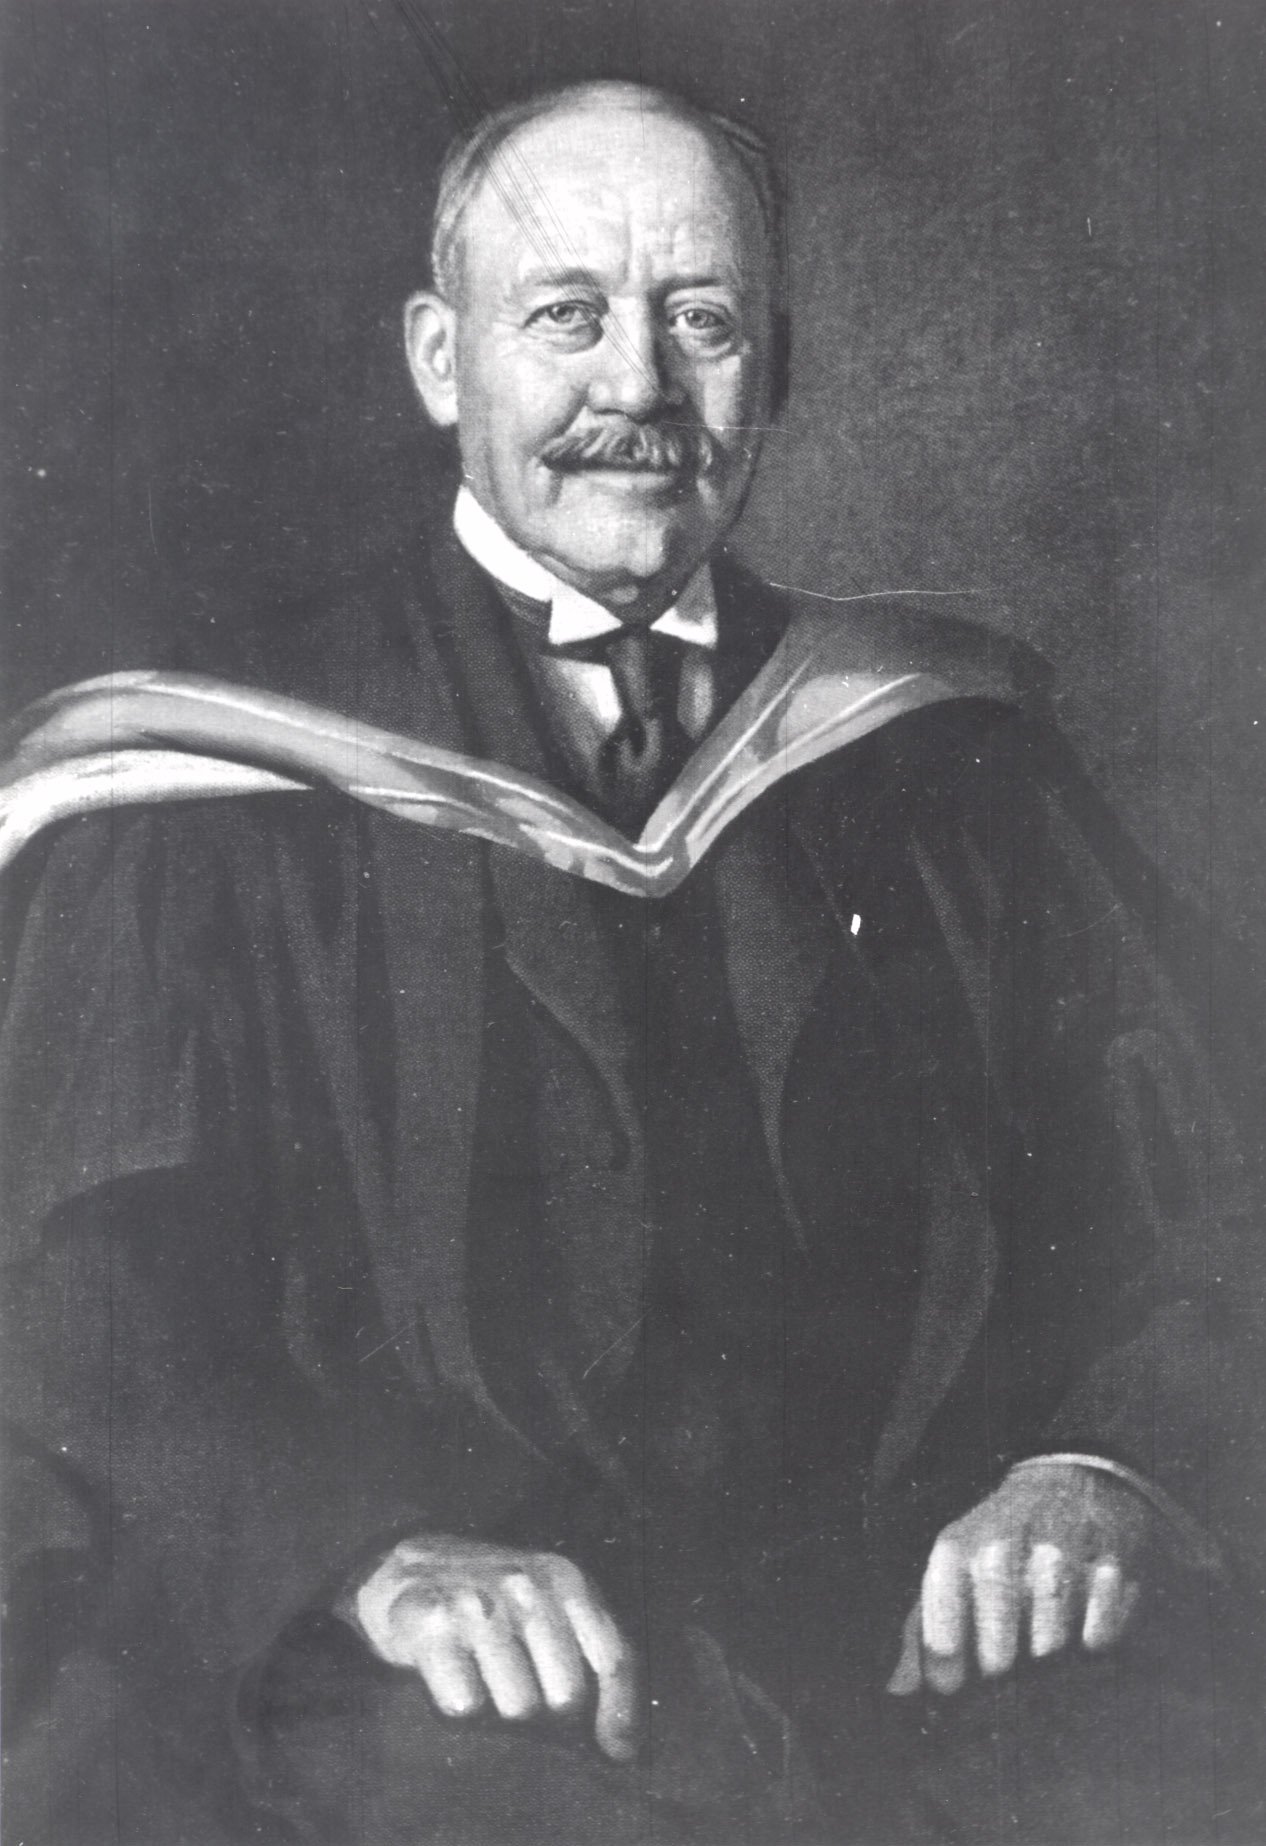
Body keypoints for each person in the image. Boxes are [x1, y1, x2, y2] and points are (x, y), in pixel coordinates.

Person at [1, 79, 1260, 1845]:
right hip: (421, 1677)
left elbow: (1207, 1193)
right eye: (565, 315)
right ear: (439, 359)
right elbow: (75, 1300)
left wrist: (1100, 1462)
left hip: (902, 1649)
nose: (640, 388)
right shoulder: (212, 782)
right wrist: (366, 1551)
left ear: (778, 367)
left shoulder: (942, 755)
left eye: (703, 320)